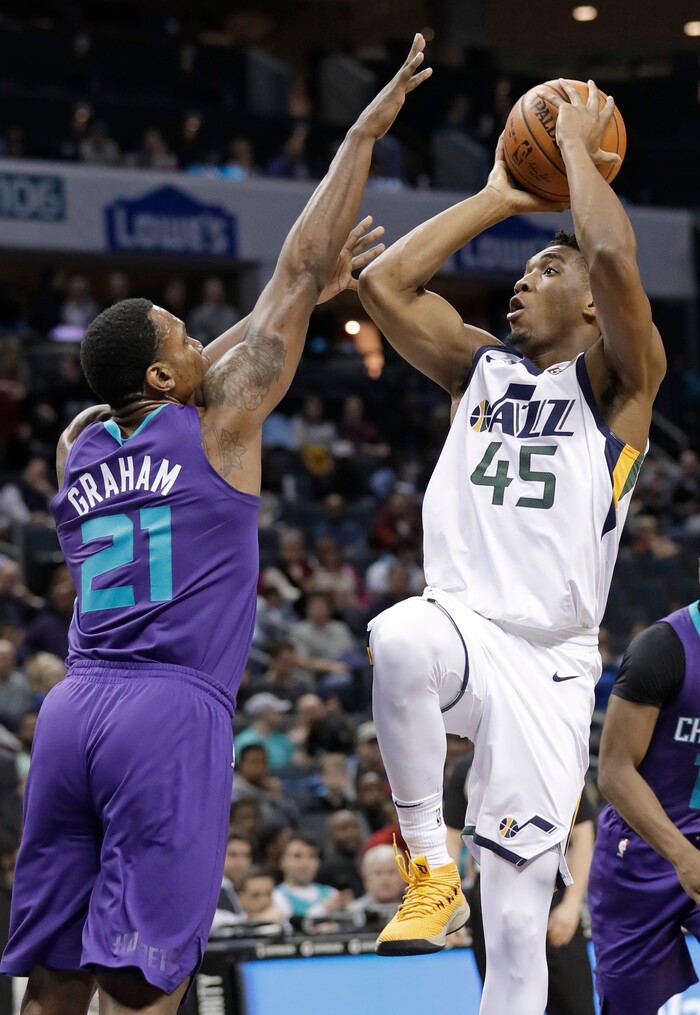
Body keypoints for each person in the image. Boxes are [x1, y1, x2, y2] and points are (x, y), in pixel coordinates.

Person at [0, 37, 432, 1015]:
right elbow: (296, 263)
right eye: (188, 337)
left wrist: (295, 305)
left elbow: (225, 345)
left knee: (58, 973)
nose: (206, 342)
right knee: (147, 976)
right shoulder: (224, 425)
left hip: (72, 712)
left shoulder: (76, 441)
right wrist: (362, 131)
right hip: (169, 711)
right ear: (163, 376)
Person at [357, 78, 666, 1015]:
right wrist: (498, 191)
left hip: (552, 664)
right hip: (466, 629)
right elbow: (383, 284)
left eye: (544, 269)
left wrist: (576, 149)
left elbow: (611, 250)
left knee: (522, 927)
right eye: (521, 271)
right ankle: (430, 866)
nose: (522, 279)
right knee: (399, 635)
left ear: (588, 309)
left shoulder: (618, 386)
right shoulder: (478, 367)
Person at [588, 585, 700, 1015]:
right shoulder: (662, 647)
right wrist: (684, 857)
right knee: (627, 1005)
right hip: (642, 847)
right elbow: (615, 773)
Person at [444, 750, 597, 1015]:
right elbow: (452, 838)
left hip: (551, 891)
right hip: (490, 895)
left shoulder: (553, 754)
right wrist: (451, 905)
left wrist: (572, 905)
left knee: (576, 1004)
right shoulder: (468, 768)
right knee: (502, 1002)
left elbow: (583, 833)